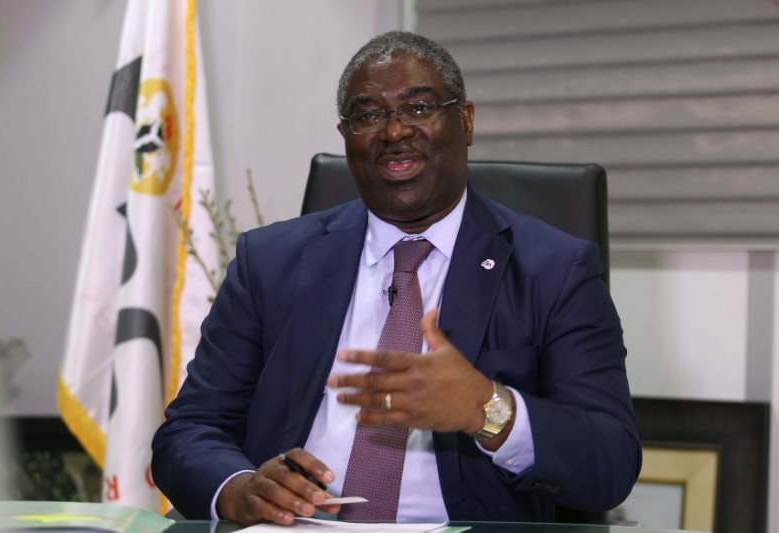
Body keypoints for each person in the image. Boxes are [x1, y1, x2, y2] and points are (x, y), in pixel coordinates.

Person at [151, 30, 641, 525]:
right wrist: (238, 489)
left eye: (420, 108)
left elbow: (610, 463)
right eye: (367, 115)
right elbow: (189, 431)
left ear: (465, 121)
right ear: (346, 138)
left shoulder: (554, 269)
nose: (393, 131)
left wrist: (485, 408)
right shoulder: (271, 261)